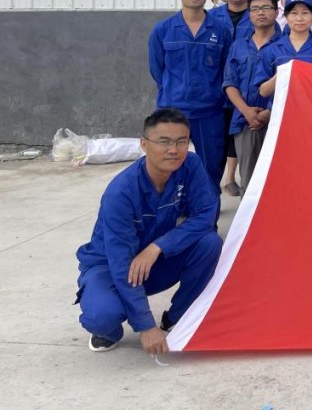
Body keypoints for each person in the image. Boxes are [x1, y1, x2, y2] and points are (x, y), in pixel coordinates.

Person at [74, 108, 223, 354]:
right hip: (110, 266)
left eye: (181, 141)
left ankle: (177, 317)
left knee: (209, 243)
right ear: (144, 144)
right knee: (102, 316)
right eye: (164, 142)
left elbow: (205, 215)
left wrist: (157, 247)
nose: (174, 150)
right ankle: (108, 331)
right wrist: (145, 326)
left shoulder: (191, 166)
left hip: (153, 261)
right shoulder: (121, 193)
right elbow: (120, 261)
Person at [148, 0, 233, 194]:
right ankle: (172, 210)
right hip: (172, 110)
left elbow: (226, 70)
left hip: (209, 111)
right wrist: (173, 90)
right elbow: (157, 69)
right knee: (169, 164)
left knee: (211, 166)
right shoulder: (163, 30)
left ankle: (208, 213)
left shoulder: (220, 30)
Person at [223, 0, 280, 194]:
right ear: (249, 14)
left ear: (276, 12)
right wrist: (246, 111)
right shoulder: (238, 46)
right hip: (245, 121)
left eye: (266, 8)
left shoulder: (287, 44)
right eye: (255, 9)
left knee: (277, 179)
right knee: (249, 181)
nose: (260, 13)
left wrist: (270, 113)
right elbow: (229, 83)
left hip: (278, 121)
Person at [207, 0, 254, 197]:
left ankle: (240, 185)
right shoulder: (210, 18)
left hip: (247, 92)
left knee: (243, 144)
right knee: (214, 143)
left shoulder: (259, 15)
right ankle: (209, 192)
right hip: (214, 92)